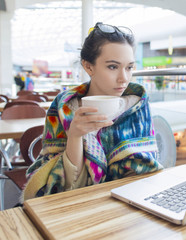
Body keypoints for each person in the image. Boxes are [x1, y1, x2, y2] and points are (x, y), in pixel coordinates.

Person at [23, 22, 163, 200]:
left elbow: (148, 171)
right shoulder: (64, 107)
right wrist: (74, 136)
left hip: (130, 203)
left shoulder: (138, 106)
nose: (124, 78)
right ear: (89, 67)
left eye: (129, 67)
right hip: (78, 204)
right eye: (113, 67)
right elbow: (59, 186)